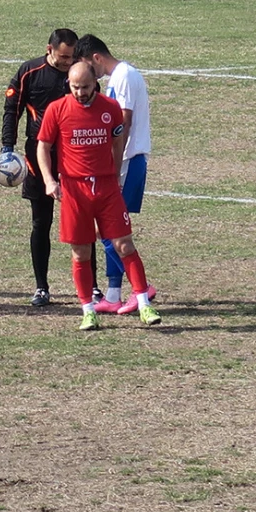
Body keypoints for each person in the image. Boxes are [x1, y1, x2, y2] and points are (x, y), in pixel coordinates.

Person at [36, 63, 161, 331]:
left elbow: (118, 141)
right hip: (74, 190)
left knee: (124, 245)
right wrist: (48, 180)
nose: (80, 92)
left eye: (85, 87)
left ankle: (144, 304)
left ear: (96, 84)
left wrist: (115, 175)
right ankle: (87, 310)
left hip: (106, 188)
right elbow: (43, 147)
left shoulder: (110, 108)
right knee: (81, 252)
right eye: (75, 87)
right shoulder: (57, 110)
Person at [0, 29, 88, 307]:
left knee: (84, 224)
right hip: (37, 156)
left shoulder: (80, 73)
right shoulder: (29, 71)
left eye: (72, 57)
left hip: (74, 155)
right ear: (49, 49)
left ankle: (92, 287)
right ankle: (41, 287)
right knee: (41, 222)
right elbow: (11, 108)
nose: (67, 62)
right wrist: (7, 147)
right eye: (63, 56)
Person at [73, 34, 158, 314]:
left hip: (126, 161)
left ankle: (141, 289)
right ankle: (113, 294)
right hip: (126, 161)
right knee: (110, 231)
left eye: (87, 67)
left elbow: (124, 121)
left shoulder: (122, 76)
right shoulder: (122, 76)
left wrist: (111, 164)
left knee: (111, 229)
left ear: (95, 58)